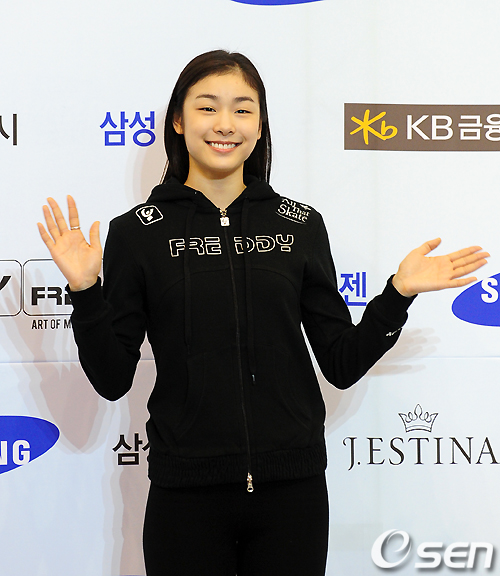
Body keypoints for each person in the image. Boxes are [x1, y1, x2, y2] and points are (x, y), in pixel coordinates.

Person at [37, 50, 489, 576]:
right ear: (179, 121)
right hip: (185, 497)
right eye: (208, 107)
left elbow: (341, 362)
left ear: (259, 124)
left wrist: (397, 294)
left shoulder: (299, 225)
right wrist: (85, 290)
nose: (225, 124)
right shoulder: (137, 232)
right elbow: (112, 378)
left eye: (242, 109)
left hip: (291, 495)